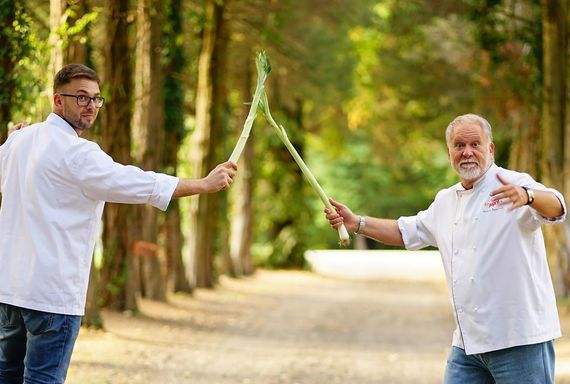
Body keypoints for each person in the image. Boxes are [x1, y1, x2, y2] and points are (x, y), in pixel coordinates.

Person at [0, 63, 237, 383]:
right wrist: (203, 184)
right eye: (81, 98)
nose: (91, 107)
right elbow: (137, 183)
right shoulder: (78, 153)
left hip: (10, 290)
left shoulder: (19, 141)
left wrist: (13, 139)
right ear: (58, 101)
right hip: (51, 296)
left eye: (96, 99)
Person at [325, 113, 566, 383]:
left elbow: (557, 205)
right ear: (449, 151)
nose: (467, 152)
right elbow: (405, 232)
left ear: (491, 148)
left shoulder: (512, 183)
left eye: (475, 144)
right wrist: (356, 222)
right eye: (459, 146)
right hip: (467, 346)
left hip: (519, 340)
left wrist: (528, 196)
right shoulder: (445, 201)